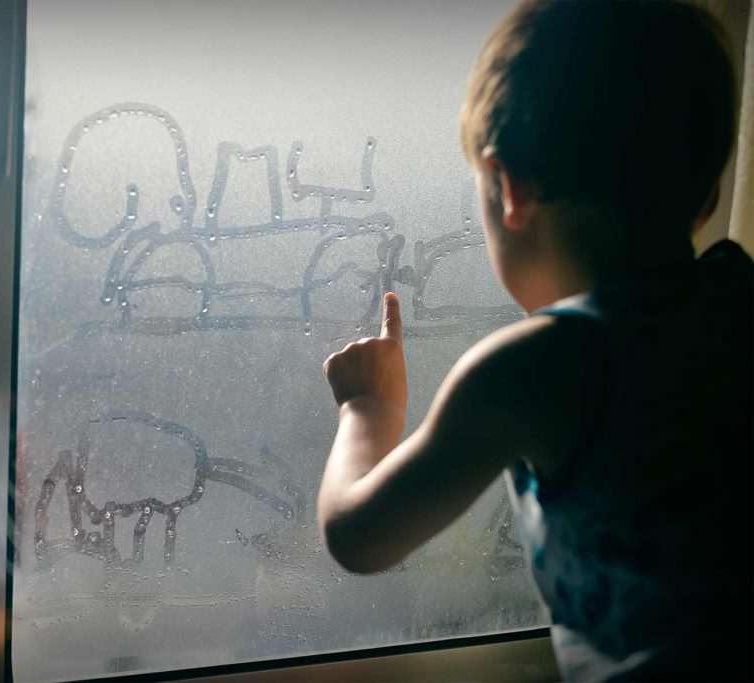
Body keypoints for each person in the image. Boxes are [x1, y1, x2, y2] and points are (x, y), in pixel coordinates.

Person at [316, 1, 752, 680]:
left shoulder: (535, 368)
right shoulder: (735, 299)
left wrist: (368, 410)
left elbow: (357, 535)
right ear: (704, 199)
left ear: (511, 191)